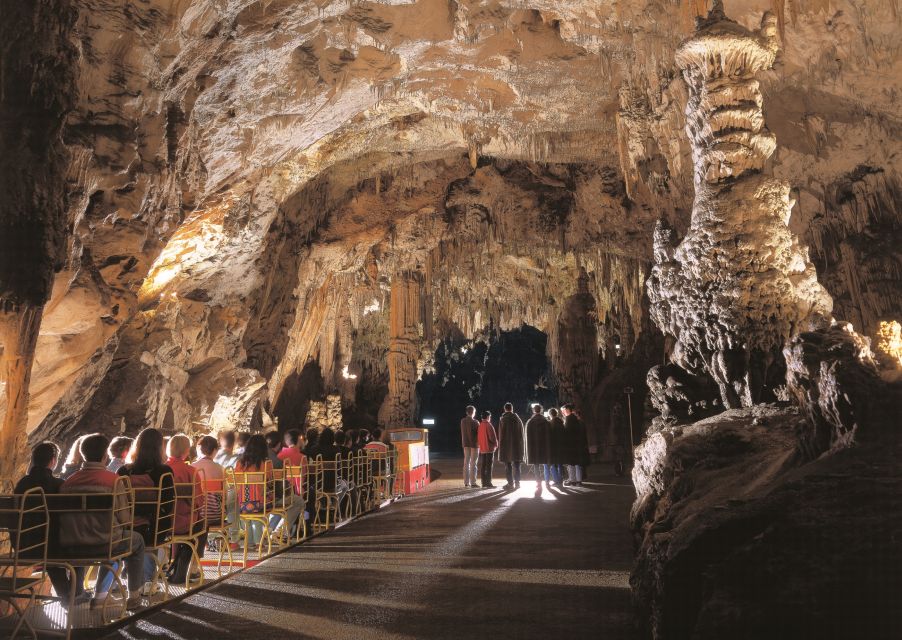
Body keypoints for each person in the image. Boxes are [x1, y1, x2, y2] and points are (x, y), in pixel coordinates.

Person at [62, 433, 147, 610]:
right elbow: (124, 519)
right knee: (136, 541)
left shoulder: (68, 483)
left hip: (72, 544)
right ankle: (133, 596)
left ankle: (88, 594)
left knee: (110, 541)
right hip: (105, 543)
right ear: (104, 456)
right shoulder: (113, 481)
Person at [13, 441, 90, 606]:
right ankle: (75, 593)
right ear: (53, 461)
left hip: (24, 545)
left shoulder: (21, 485)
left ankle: (67, 596)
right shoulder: (57, 485)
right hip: (52, 546)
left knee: (49, 553)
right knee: (77, 548)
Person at [117, 427, 175, 592]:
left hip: (126, 526)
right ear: (160, 448)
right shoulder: (164, 472)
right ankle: (147, 580)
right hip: (153, 528)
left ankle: (130, 573)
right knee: (158, 519)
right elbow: (168, 504)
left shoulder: (123, 471)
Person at [164, 434, 205, 584]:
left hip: (160, 524)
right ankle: (190, 568)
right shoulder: (190, 471)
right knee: (201, 526)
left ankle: (174, 561)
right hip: (184, 522)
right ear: (186, 451)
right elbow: (199, 502)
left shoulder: (162, 470)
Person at [234, 434, 273, 547]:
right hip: (261, 504)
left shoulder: (240, 463)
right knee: (257, 512)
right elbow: (269, 482)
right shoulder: (266, 464)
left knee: (249, 515)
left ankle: (249, 542)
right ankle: (258, 543)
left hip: (242, 504)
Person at [497, 403, 525, 490]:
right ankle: (517, 483)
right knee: (517, 465)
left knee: (508, 466)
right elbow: (522, 433)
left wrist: (500, 446)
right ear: (512, 409)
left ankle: (510, 483)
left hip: (506, 446)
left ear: (505, 409)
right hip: (517, 446)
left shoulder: (503, 419)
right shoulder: (518, 419)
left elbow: (501, 435)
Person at [525, 404, 551, 496]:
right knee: (545, 464)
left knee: (536, 465)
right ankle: (547, 481)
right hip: (544, 447)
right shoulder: (546, 422)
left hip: (534, 447)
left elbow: (527, 437)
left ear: (534, 411)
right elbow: (549, 435)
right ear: (541, 410)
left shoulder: (530, 422)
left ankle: (538, 482)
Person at [562, 404, 590, 486]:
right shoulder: (576, 419)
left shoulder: (568, 418)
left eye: (564, 410)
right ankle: (579, 480)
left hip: (571, 445)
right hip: (577, 445)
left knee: (571, 464)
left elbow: (567, 433)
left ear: (568, 410)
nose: (564, 411)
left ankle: (572, 480)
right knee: (577, 463)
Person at [477, 410, 498, 488]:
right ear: (488, 416)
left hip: (482, 448)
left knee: (483, 465)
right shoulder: (488, 425)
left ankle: (483, 482)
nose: (490, 418)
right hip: (489, 448)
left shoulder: (480, 425)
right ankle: (489, 482)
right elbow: (492, 437)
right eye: (490, 416)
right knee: (489, 466)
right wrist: (496, 444)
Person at [460, 406, 479, 488]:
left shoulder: (463, 421)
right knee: (473, 463)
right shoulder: (476, 422)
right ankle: (473, 482)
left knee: (466, 462)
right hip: (474, 444)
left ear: (467, 412)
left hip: (465, 444)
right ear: (473, 412)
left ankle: (466, 482)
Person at [547, 408, 566, 487]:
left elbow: (549, 436)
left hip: (553, 447)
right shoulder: (561, 422)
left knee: (553, 465)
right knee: (560, 464)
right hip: (561, 446)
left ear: (550, 415)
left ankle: (556, 480)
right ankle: (561, 480)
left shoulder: (550, 423)